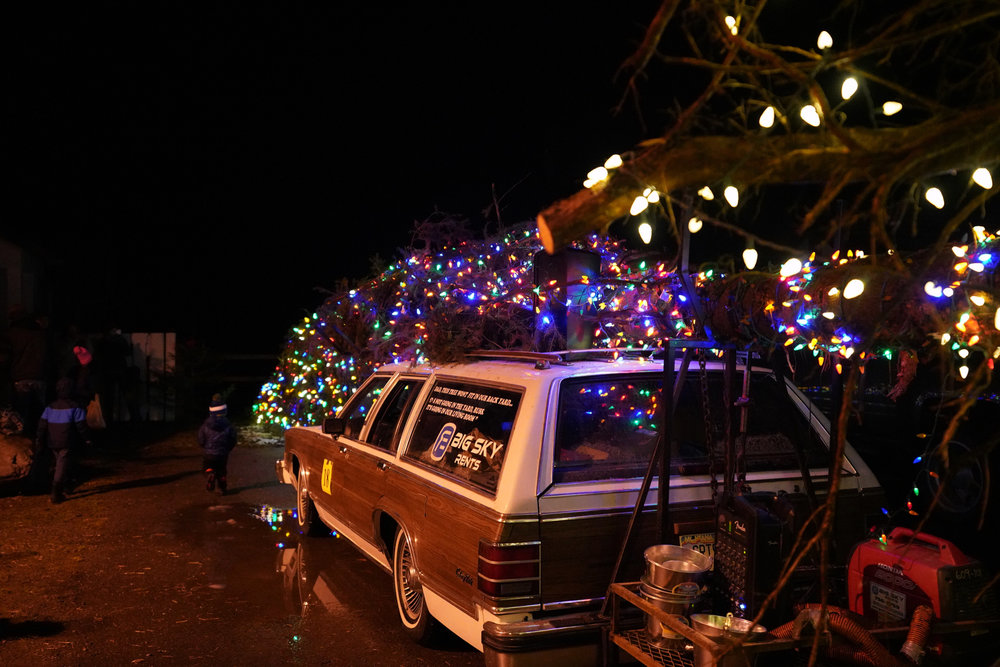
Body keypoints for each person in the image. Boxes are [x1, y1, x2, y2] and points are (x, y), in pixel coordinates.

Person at [36, 377, 91, 504]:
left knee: (59, 463)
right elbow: (81, 426)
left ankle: (64, 487)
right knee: (62, 464)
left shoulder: (50, 407)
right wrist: (87, 439)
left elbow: (42, 425)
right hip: (66, 440)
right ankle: (56, 492)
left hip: (52, 441)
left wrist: (40, 439)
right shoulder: (75, 407)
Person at [197, 394, 237, 495]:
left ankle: (210, 473)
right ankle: (222, 488)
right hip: (223, 452)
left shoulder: (206, 425)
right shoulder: (228, 425)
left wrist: (204, 446)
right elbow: (232, 438)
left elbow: (201, 438)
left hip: (209, 452)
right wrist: (228, 448)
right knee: (222, 470)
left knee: (207, 466)